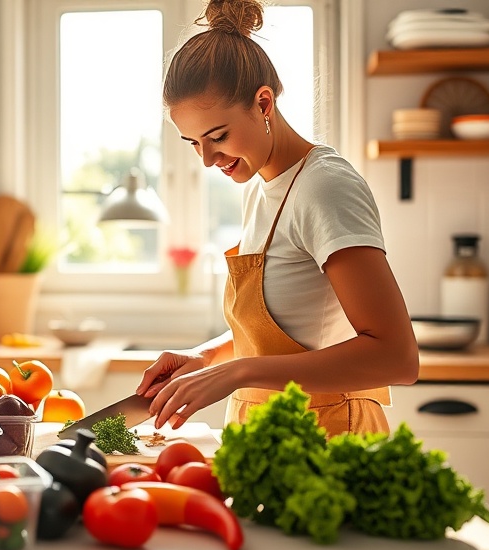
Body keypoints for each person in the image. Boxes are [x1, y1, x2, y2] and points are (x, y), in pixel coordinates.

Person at [136, 0, 419, 438]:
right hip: (271, 436)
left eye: (218, 137)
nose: (208, 160)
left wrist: (237, 373)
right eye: (193, 143)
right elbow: (290, 332)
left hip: (328, 437)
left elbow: (396, 357)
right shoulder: (261, 188)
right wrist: (207, 357)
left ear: (263, 103)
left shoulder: (324, 187)